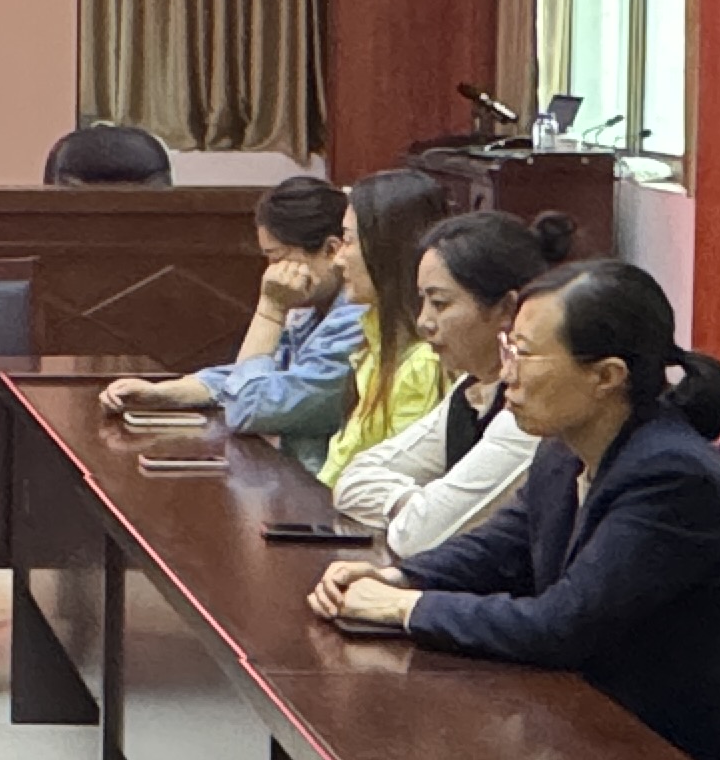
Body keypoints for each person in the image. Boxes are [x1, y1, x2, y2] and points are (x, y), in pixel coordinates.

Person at [314, 259, 720, 760]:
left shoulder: (672, 477)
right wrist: (395, 576)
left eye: (525, 354)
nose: (506, 373)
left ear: (607, 376)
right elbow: (499, 550)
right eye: (508, 347)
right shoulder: (561, 450)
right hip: (585, 727)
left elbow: (562, 624)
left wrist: (405, 607)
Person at [330, 209, 575, 554]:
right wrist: (418, 504)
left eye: (440, 303)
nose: (423, 322)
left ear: (507, 309)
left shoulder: (531, 410)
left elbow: (420, 537)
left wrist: (425, 512)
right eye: (422, 301)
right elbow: (353, 478)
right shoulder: (470, 391)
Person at [93, 177, 365, 463]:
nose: (269, 272)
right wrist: (162, 393)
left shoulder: (354, 320)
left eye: (276, 258)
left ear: (331, 250)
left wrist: (270, 310)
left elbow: (248, 407)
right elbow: (250, 377)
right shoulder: (310, 308)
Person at [309, 169, 456, 489]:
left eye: (349, 241)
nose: (338, 260)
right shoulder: (373, 342)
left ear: (388, 249)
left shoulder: (424, 364)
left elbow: (394, 485)